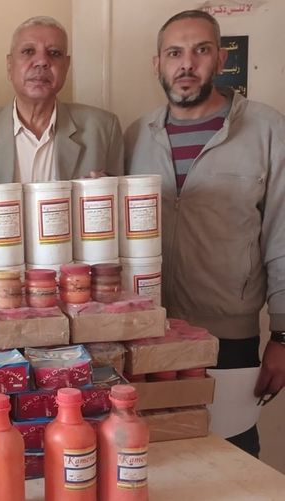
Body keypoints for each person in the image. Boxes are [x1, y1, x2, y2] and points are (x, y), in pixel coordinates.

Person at [125, 9, 285, 457]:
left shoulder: (267, 129)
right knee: (157, 457)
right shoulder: (137, 135)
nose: (187, 64)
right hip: (149, 334)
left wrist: (283, 336)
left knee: (231, 455)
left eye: (201, 50)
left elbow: (282, 236)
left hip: (228, 337)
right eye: (174, 53)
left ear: (221, 58)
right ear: (157, 64)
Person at [0, 16, 123, 184]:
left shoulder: (104, 129)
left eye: (54, 53)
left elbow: (121, 202)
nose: (41, 61)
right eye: (28, 51)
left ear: (66, 66)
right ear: (9, 65)